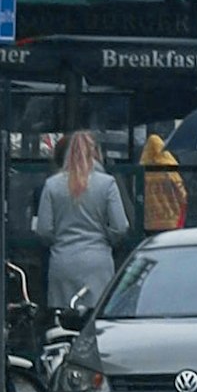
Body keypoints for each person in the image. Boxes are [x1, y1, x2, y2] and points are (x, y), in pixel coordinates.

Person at [35, 129, 136, 318]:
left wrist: (58, 240)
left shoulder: (52, 185)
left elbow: (43, 230)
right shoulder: (108, 184)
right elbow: (120, 227)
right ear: (96, 153)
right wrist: (106, 239)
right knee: (96, 320)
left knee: (62, 321)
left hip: (62, 261)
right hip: (98, 262)